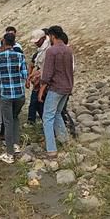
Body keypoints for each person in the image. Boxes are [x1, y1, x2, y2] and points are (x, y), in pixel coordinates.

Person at [38, 26, 74, 159]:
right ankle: (65, 142)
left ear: (52, 36)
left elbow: (47, 74)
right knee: (57, 113)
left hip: (56, 88)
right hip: (67, 87)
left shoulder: (52, 51)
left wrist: (41, 90)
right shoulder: (69, 50)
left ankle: (51, 149)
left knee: (47, 117)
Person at [0, 33, 28, 164]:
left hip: (6, 94)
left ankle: (9, 154)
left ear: (3, 42)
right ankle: (16, 144)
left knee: (7, 122)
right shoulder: (20, 56)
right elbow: (24, 74)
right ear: (14, 43)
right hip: (19, 94)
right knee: (15, 117)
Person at [27, 29, 49, 125]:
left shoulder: (48, 49)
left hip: (45, 82)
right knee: (36, 103)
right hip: (39, 81)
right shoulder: (40, 51)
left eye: (38, 41)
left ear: (44, 38)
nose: (36, 44)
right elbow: (33, 65)